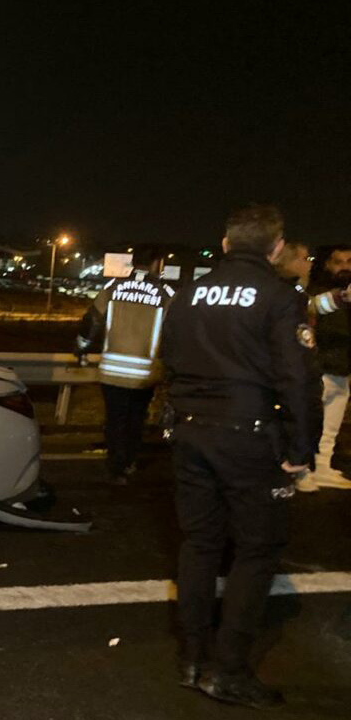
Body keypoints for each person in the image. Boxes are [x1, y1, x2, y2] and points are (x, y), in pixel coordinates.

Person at [161, 204, 321, 708]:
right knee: (257, 549)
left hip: (189, 431)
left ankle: (192, 658)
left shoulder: (187, 294)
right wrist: (301, 449)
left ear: (226, 244)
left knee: (200, 544)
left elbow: (167, 359)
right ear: (275, 248)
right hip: (249, 435)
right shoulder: (279, 296)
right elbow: (298, 378)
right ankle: (228, 669)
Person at [76, 249, 176, 484]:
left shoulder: (112, 287)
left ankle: (115, 466)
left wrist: (81, 347)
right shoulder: (166, 293)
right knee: (135, 418)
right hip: (145, 372)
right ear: (156, 264)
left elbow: (92, 320)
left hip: (112, 370)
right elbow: (175, 332)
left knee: (115, 419)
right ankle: (129, 462)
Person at [302, 245, 351, 490]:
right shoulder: (319, 293)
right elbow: (310, 313)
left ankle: (322, 467)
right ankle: (303, 470)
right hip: (320, 368)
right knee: (309, 422)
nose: (344, 266)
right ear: (327, 265)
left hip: (341, 368)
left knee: (330, 426)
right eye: (338, 261)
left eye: (349, 261)